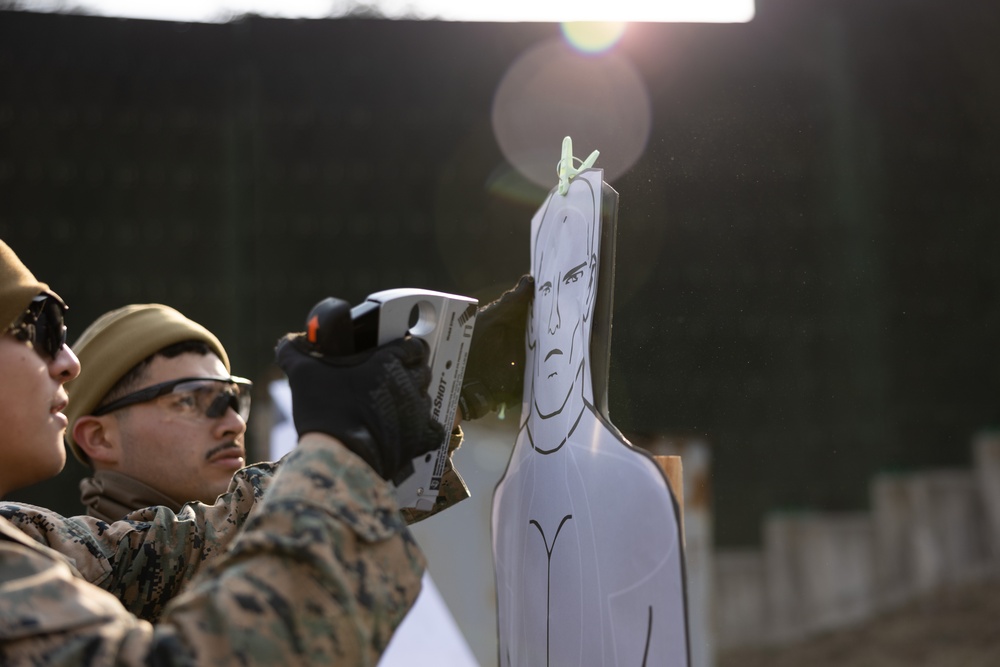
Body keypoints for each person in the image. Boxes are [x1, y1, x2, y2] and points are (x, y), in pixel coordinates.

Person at [0, 237, 446, 664]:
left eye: (233, 399)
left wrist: (444, 389)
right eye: (38, 326)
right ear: (97, 438)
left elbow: (192, 544)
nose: (66, 362)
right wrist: (344, 448)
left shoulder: (57, 551)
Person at [491, 170, 690, 665]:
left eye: (575, 279)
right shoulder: (509, 497)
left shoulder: (637, 485)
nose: (555, 318)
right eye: (546, 290)